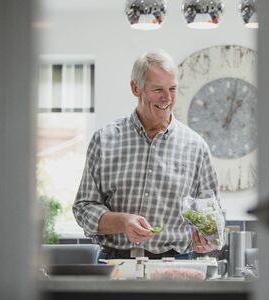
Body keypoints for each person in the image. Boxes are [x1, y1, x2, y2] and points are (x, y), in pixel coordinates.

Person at [73, 49, 222, 260]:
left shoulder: (196, 146)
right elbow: (83, 208)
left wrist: (208, 238)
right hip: (116, 263)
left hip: (177, 265)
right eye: (158, 89)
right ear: (136, 88)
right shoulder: (104, 139)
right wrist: (123, 221)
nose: (167, 98)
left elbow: (211, 213)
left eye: (173, 89)